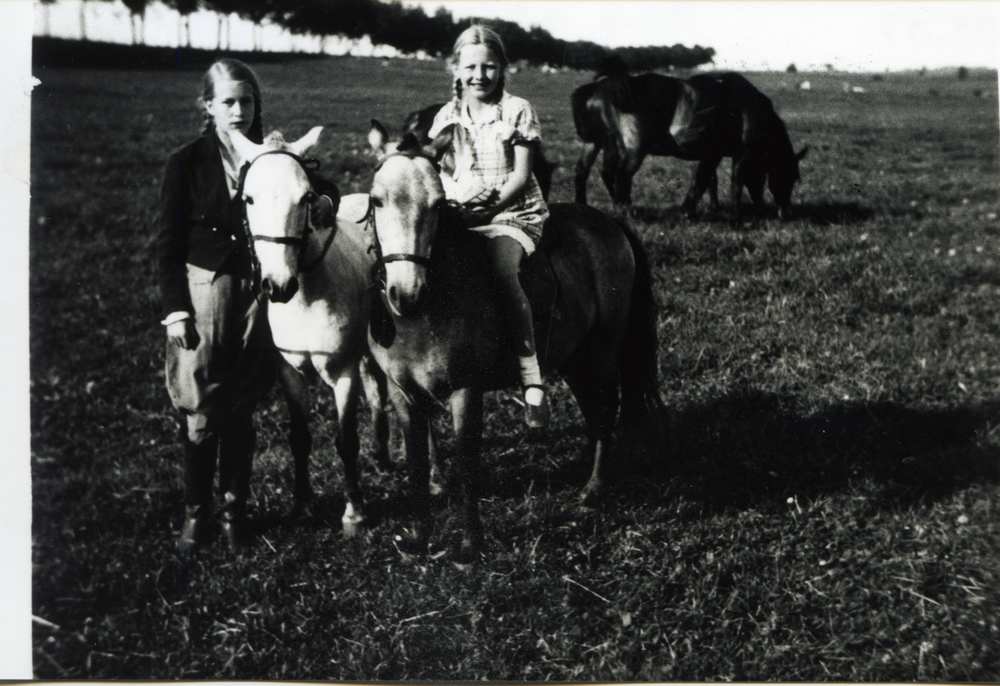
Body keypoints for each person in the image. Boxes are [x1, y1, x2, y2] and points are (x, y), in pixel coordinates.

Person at [156, 59, 335, 552]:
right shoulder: (187, 163)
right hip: (204, 290)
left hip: (258, 294)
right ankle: (197, 512)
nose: (238, 111)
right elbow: (167, 244)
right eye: (228, 102)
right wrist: (176, 308)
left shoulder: (271, 156)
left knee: (241, 402)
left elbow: (315, 189)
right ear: (208, 106)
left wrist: (326, 203)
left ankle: (235, 509)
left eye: (247, 101)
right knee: (200, 400)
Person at [428, 25, 551, 428]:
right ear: (455, 69)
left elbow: (520, 176)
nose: (480, 75)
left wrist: (487, 211)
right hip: (461, 213)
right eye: (471, 67)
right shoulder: (446, 116)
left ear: (502, 69)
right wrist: (453, 205)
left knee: (501, 271)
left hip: (513, 213)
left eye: (489, 67)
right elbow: (437, 172)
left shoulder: (517, 110)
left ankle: (531, 380)